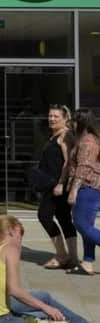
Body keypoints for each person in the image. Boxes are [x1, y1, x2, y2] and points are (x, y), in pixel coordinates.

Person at [0, 215, 88, 323]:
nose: (21, 238)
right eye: (21, 233)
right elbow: (14, 290)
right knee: (44, 309)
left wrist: (44, 307)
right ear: (11, 231)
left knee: (43, 297)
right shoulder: (10, 249)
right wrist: (45, 307)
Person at [37, 104, 78, 270]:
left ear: (65, 118)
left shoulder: (65, 136)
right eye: (50, 115)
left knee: (44, 215)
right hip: (51, 184)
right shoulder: (54, 135)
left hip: (58, 185)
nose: (51, 119)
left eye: (56, 116)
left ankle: (62, 255)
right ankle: (72, 258)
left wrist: (61, 183)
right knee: (64, 218)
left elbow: (69, 162)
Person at [66, 108, 100, 276]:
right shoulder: (92, 139)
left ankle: (87, 262)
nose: (71, 123)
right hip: (92, 189)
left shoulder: (87, 142)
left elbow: (84, 167)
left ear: (80, 122)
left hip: (86, 188)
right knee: (87, 226)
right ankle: (87, 262)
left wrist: (73, 190)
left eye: (74, 120)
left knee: (82, 225)